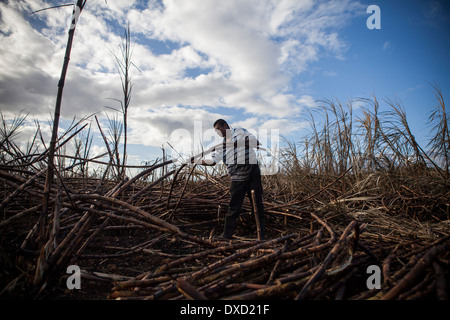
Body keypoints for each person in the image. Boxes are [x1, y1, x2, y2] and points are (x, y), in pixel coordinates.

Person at [191, 119, 265, 240]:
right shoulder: (221, 146)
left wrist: (238, 143)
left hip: (252, 173)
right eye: (216, 131)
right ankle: (227, 235)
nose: (218, 133)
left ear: (225, 125)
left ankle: (260, 235)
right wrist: (195, 161)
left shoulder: (240, 132)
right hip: (237, 178)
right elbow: (212, 162)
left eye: (219, 129)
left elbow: (256, 143)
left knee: (257, 204)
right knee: (233, 207)